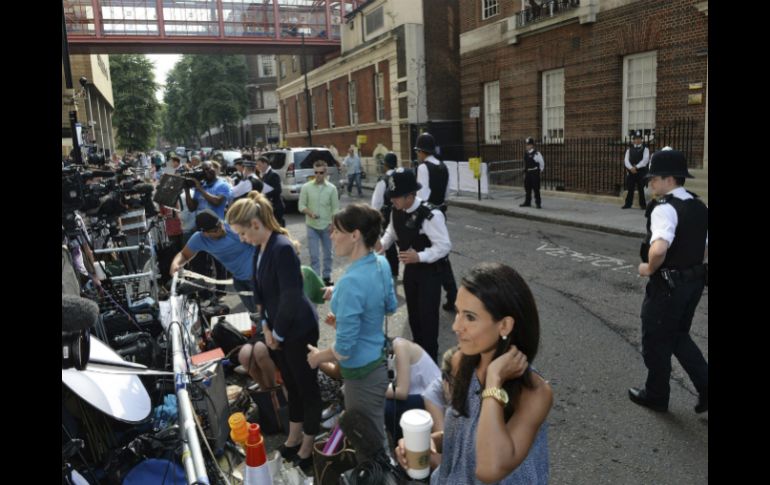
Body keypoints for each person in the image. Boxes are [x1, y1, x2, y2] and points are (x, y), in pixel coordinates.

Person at [396, 263, 552, 484]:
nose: (456, 326)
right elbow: (463, 435)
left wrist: (494, 381)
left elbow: (489, 469)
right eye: (458, 312)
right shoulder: (461, 363)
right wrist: (428, 443)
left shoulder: (534, 393)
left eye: (469, 317)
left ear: (505, 325)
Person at [226, 192, 321, 473]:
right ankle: (293, 435)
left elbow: (291, 296)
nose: (243, 239)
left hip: (298, 328)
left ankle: (308, 443)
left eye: (243, 233)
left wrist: (276, 334)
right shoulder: (260, 247)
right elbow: (259, 290)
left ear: (255, 223)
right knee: (290, 383)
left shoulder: (281, 247)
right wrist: (265, 324)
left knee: (306, 387)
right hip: (278, 327)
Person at [307, 203, 398, 458]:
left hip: (361, 374)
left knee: (368, 443)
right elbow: (390, 306)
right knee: (376, 431)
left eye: (336, 231)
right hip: (378, 363)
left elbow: (344, 350)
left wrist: (317, 357)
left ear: (355, 235)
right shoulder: (381, 263)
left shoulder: (350, 282)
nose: (331, 236)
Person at [629, 147, 708, 414]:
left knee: (654, 339)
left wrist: (648, 268)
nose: (650, 182)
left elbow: (660, 248)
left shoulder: (665, 208)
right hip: (693, 284)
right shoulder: (699, 205)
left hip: (668, 287)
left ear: (669, 179)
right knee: (678, 337)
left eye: (654, 178)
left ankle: (656, 395)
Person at [378, 168, 451, 363]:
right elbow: (391, 233)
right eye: (391, 196)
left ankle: (431, 364)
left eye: (396, 197)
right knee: (414, 318)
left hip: (429, 273)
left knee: (428, 321)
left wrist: (420, 256)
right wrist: (382, 245)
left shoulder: (431, 215)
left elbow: (444, 246)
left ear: (410, 195)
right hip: (410, 271)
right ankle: (419, 359)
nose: (392, 200)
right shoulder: (396, 210)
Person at [414, 133, 458, 312]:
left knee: (429, 254)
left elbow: (422, 196)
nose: (417, 155)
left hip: (427, 216)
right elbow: (447, 192)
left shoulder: (424, 168)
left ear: (422, 151)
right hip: (440, 213)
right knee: (442, 254)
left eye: (418, 152)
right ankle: (451, 292)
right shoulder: (443, 166)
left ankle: (436, 293)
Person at [383, 337, 441, 442]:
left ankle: (400, 443)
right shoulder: (390, 351)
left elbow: (401, 392)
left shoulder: (400, 346)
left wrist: (369, 391)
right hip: (420, 396)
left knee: (388, 406)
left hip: (434, 400)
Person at [299, 160, 339, 286]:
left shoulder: (332, 189)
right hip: (312, 226)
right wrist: (310, 213)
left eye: (321, 172)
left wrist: (333, 225)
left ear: (325, 172)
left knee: (328, 254)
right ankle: (316, 281)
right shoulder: (306, 187)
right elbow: (301, 205)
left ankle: (326, 277)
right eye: (315, 172)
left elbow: (335, 209)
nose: (318, 175)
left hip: (327, 226)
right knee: (314, 255)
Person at [371, 152, 400, 282]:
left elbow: (376, 203)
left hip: (387, 214)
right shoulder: (400, 177)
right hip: (402, 212)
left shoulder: (383, 180)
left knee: (389, 243)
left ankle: (393, 271)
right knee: (404, 242)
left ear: (386, 165)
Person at [622, 130, 650, 209]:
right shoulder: (629, 149)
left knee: (641, 189)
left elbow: (645, 160)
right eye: (635, 139)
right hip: (631, 172)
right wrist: (631, 168)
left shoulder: (645, 149)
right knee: (630, 188)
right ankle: (628, 204)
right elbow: (626, 160)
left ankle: (643, 205)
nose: (637, 140)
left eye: (639, 138)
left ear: (641, 139)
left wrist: (636, 167)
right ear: (633, 140)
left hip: (641, 172)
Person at [256, 155, 286, 227]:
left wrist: (264, 195)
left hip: (276, 205)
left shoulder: (273, 174)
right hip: (270, 205)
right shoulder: (264, 175)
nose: (258, 167)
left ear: (265, 163)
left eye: (260, 165)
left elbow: (278, 190)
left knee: (277, 227)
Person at [519, 137, 544, 209]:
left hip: (534, 173)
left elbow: (542, 163)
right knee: (527, 188)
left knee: (536, 188)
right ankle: (527, 202)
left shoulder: (537, 153)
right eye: (526, 145)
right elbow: (526, 164)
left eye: (528, 145)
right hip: (528, 173)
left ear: (532, 145)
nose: (527, 146)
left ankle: (538, 203)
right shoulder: (526, 154)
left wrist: (539, 171)